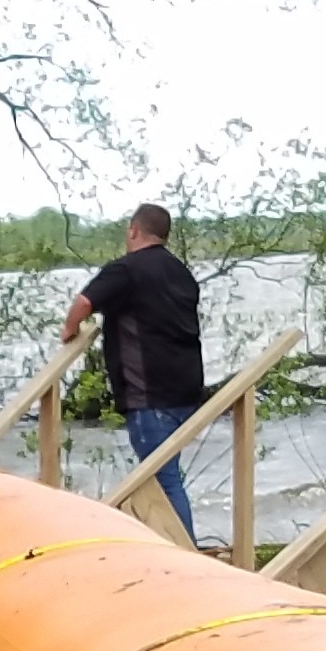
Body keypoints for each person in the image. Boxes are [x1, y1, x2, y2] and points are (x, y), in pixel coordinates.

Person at [63, 203, 208, 538]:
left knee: (163, 482)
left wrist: (70, 329)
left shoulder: (126, 270)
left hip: (150, 396)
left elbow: (85, 303)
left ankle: (186, 556)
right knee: (167, 476)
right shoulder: (180, 272)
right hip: (187, 392)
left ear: (133, 230)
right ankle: (171, 548)